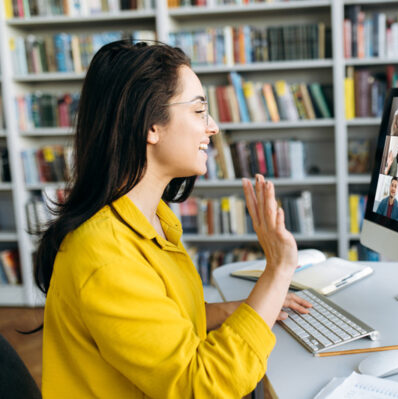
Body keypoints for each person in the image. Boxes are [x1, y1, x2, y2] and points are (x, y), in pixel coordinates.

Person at [33, 41, 312, 398]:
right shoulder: (105, 256)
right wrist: (278, 270)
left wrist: (247, 307)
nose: (212, 127)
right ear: (151, 125)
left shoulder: (151, 221)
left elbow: (165, 319)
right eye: (199, 111)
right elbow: (202, 386)